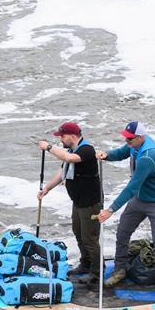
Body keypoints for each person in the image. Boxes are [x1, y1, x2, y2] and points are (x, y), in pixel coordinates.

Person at [96, 121, 155, 298]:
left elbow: (131, 187)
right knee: (122, 232)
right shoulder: (135, 145)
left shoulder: (147, 156)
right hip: (140, 199)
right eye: (126, 137)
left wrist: (110, 210)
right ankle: (120, 270)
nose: (127, 141)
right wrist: (106, 155)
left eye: (129, 138)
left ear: (140, 137)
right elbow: (122, 152)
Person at [38, 122, 102, 287]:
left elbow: (69, 158)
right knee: (79, 233)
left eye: (62, 136)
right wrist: (47, 189)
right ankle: (85, 263)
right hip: (78, 201)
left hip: (90, 203)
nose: (60, 140)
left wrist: (48, 147)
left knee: (90, 238)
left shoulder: (87, 149)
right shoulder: (72, 150)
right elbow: (62, 171)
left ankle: (96, 273)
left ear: (72, 136)